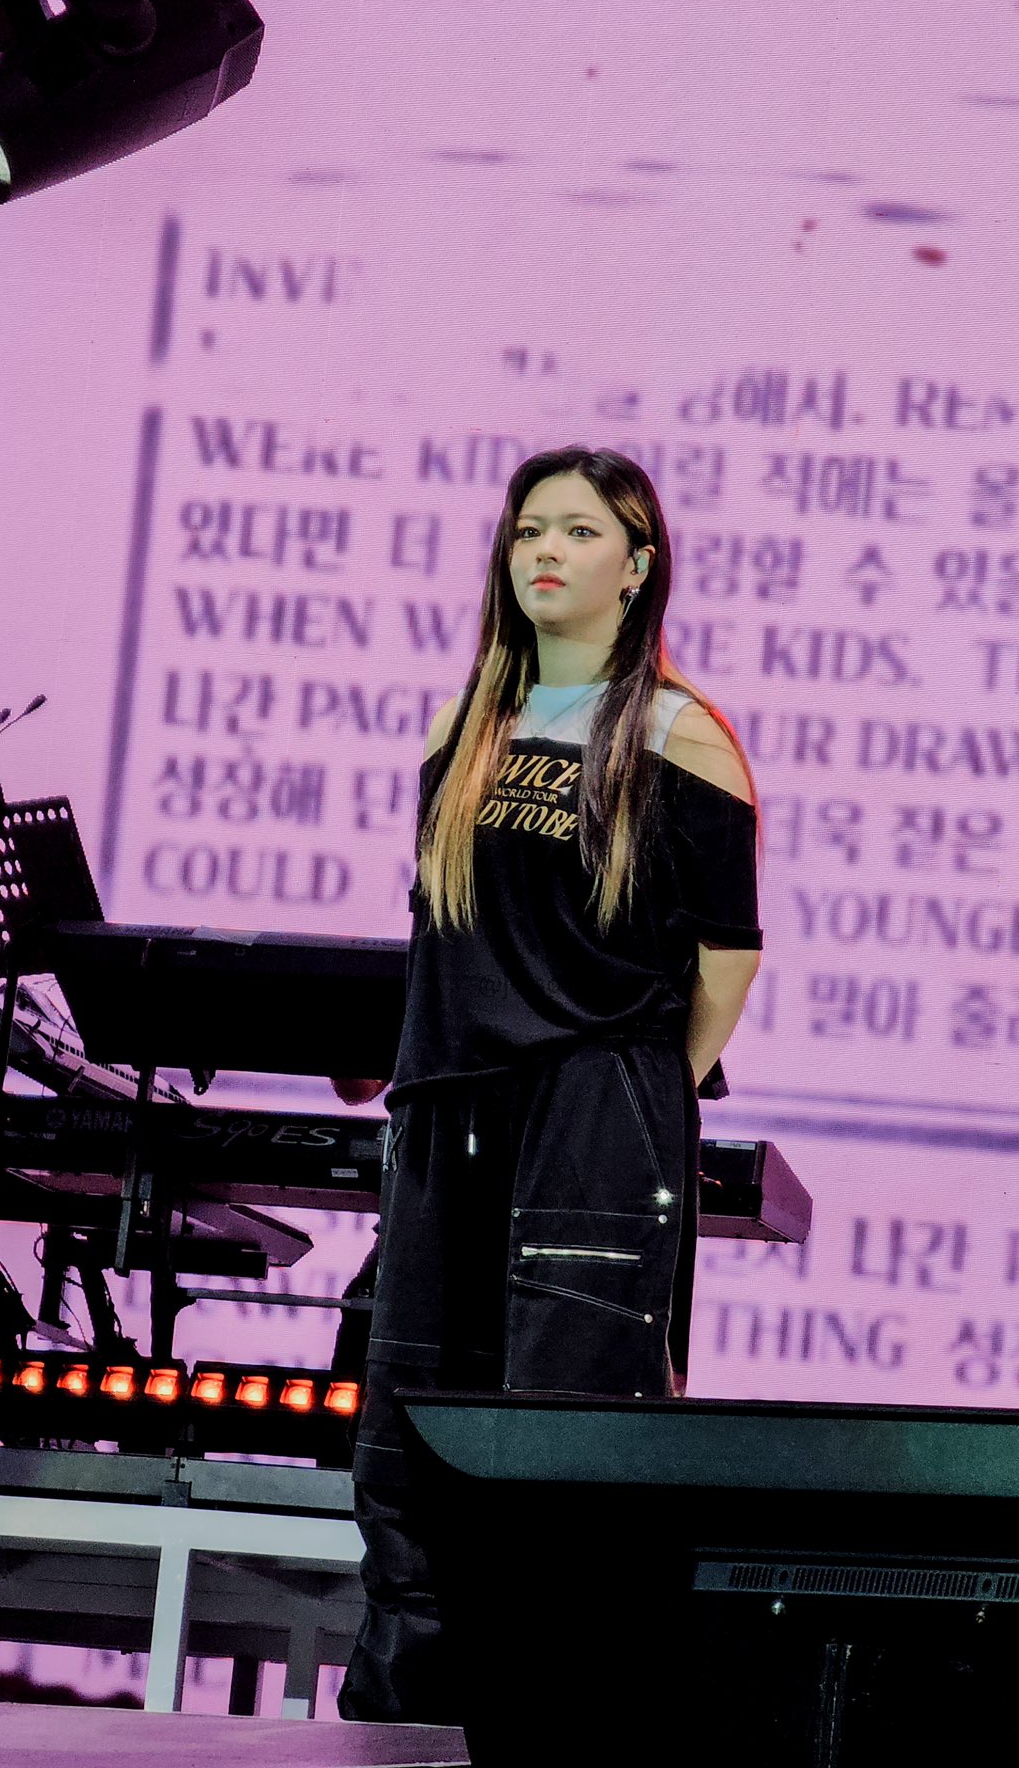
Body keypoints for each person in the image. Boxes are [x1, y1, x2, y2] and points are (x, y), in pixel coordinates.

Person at [336, 444, 762, 1727]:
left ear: (636, 565)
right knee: (409, 1432)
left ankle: (557, 1723)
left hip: (591, 1109)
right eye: (529, 529)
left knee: (561, 1434)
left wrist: (638, 1093)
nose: (545, 551)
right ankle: (404, 1718)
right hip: (451, 1110)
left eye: (578, 531)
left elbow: (726, 955)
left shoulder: (681, 735)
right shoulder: (462, 727)